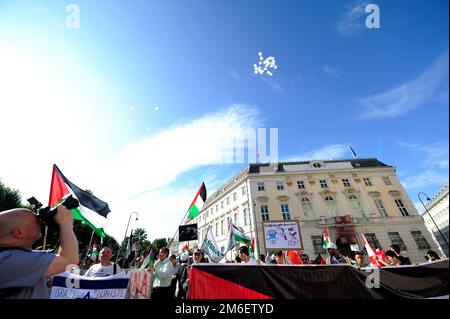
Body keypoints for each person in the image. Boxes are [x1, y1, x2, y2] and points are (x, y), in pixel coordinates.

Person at [0, 205, 79, 299]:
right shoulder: (7, 260)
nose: (40, 222)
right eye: (36, 220)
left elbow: (61, 257)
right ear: (18, 233)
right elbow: (69, 261)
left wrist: (62, 226)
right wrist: (65, 223)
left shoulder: (11, 256)